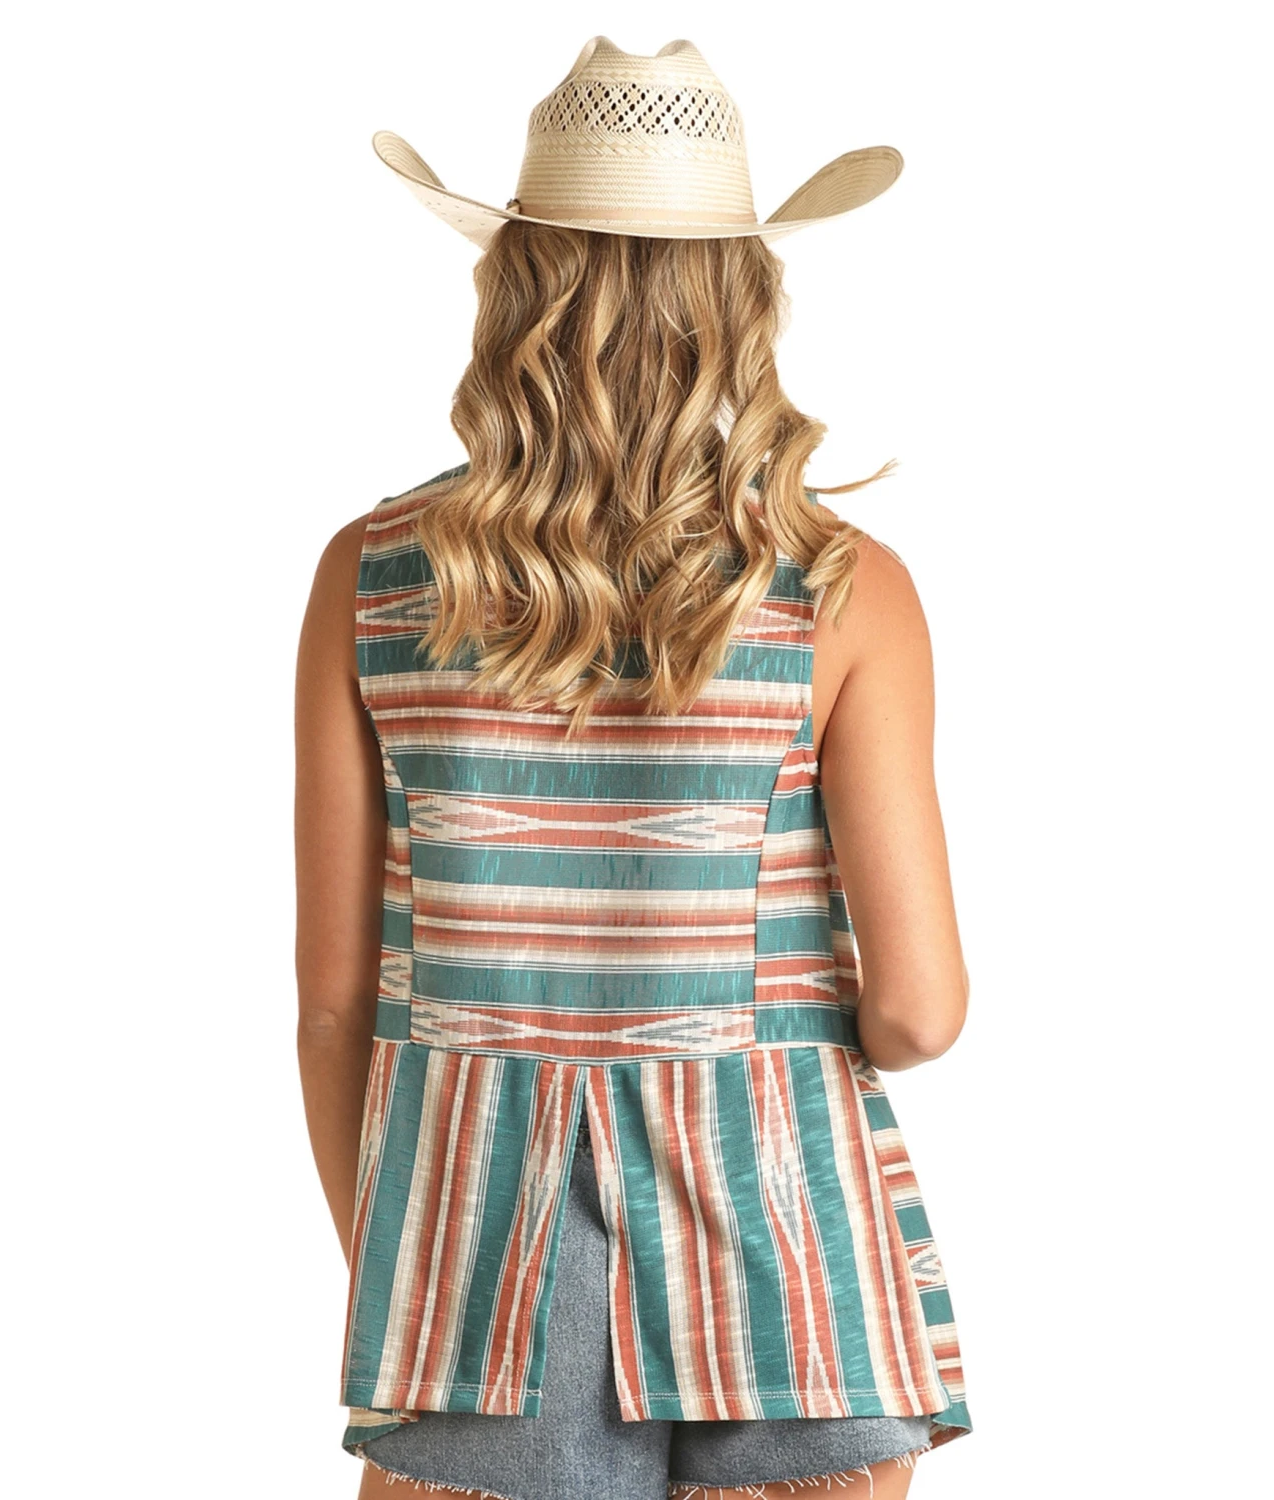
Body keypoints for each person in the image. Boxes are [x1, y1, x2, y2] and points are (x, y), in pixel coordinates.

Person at [294, 36, 974, 1500]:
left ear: (514, 287)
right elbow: (920, 1011)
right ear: (742, 298)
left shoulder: (373, 576)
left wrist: (418, 1284)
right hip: (794, 1267)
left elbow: (335, 1006)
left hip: (481, 1275)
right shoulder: (841, 588)